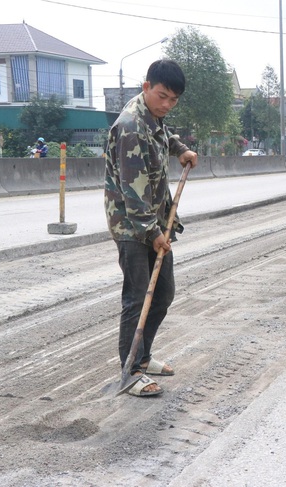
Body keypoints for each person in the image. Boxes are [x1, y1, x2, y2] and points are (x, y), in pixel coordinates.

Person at [104, 59, 198, 397]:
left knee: (163, 293)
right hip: (132, 225)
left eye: (173, 100)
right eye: (162, 97)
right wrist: (153, 232)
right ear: (146, 87)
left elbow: (163, 133)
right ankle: (130, 371)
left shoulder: (153, 114)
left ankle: (142, 356)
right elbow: (131, 189)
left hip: (156, 218)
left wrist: (181, 149)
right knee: (137, 297)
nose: (167, 105)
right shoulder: (130, 125)